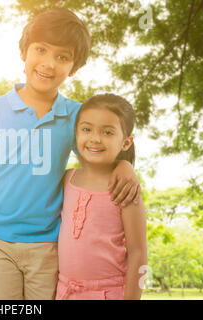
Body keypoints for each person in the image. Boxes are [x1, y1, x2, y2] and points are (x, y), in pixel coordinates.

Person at [0, 8, 141, 300]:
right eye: (40, 50)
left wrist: (125, 166)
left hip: (47, 245)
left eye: (62, 57)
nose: (48, 63)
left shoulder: (75, 115)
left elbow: (99, 152)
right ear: (24, 52)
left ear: (74, 67)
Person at [56, 93, 148, 300]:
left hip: (109, 293)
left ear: (125, 142)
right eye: (87, 129)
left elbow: (138, 254)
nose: (95, 138)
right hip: (64, 292)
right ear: (75, 134)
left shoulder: (125, 189)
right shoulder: (65, 179)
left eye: (107, 132)